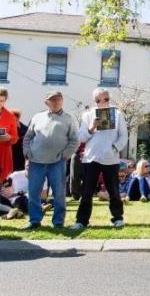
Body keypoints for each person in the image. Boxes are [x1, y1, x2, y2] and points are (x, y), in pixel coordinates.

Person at [72, 88, 128, 230]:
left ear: (109, 99)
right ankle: (81, 221)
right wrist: (92, 127)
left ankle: (118, 218)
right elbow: (81, 137)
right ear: (94, 101)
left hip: (111, 159)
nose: (103, 103)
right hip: (91, 158)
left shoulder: (118, 114)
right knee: (87, 192)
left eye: (106, 99)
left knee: (114, 191)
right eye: (98, 100)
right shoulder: (88, 115)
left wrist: (114, 147)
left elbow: (124, 136)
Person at [22, 91, 79, 229]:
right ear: (46, 102)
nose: (56, 102)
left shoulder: (69, 118)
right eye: (52, 100)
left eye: (58, 99)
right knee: (34, 192)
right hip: (36, 161)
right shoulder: (37, 117)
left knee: (59, 193)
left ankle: (58, 222)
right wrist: (27, 152)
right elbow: (28, 137)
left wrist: (65, 155)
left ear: (62, 101)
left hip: (57, 162)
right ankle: (34, 221)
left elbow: (74, 140)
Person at [0, 87, 18, 182]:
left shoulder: (10, 116)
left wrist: (9, 137)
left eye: (2, 101)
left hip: (4, 155)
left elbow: (15, 138)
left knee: (3, 185)